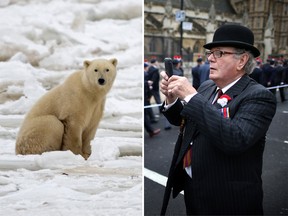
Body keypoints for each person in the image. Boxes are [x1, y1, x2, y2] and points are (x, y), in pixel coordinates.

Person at [160, 24, 277, 215]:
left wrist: (191, 96)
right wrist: (172, 99)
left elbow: (235, 139)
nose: (210, 58)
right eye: (211, 53)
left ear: (242, 61)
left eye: (219, 53)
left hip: (229, 199)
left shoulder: (258, 96)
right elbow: (186, 121)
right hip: (195, 189)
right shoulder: (207, 87)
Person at [144, 62, 161, 137]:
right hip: (146, 94)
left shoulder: (149, 71)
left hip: (146, 94)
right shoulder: (148, 72)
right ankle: (151, 129)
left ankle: (151, 127)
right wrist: (148, 83)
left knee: (146, 111)